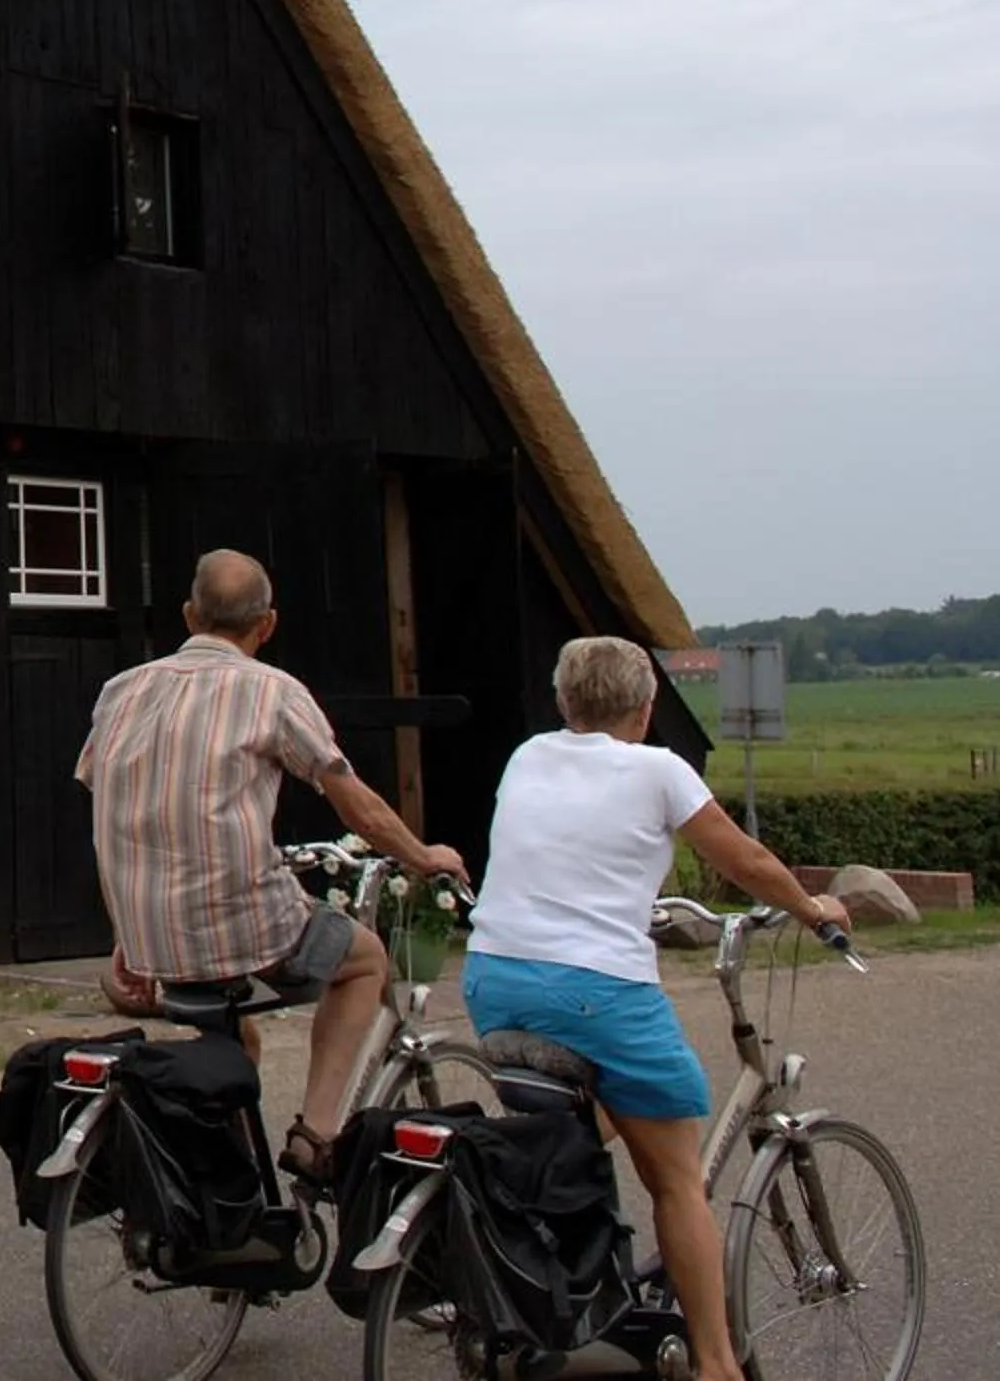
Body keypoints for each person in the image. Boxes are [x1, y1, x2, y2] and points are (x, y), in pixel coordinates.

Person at [463, 636, 845, 1381]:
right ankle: (715, 1364)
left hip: (492, 977)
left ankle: (562, 1273)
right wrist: (814, 908)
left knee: (605, 1104)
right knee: (675, 1175)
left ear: (564, 704)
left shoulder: (529, 755)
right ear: (646, 710)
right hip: (596, 988)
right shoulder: (659, 769)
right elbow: (746, 861)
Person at [78, 548, 468, 1180]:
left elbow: (113, 807)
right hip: (238, 920)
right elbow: (358, 808)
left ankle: (232, 1184)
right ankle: (316, 1135)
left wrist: (125, 933)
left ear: (188, 614)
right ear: (267, 626)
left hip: (148, 930)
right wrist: (424, 858)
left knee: (235, 1040)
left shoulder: (120, 691)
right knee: (364, 960)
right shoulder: (272, 692)